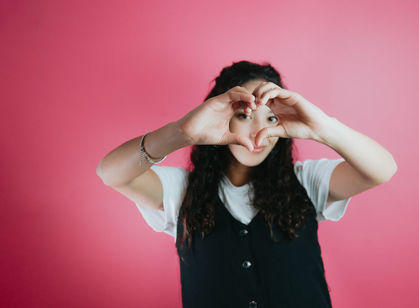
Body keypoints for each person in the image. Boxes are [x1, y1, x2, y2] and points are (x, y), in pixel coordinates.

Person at [96, 60, 397, 308]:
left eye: (270, 120)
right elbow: (111, 173)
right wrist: (182, 132)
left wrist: (322, 127)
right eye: (244, 115)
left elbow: (382, 170)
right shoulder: (182, 190)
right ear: (220, 117)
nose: (258, 134)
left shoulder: (307, 180)